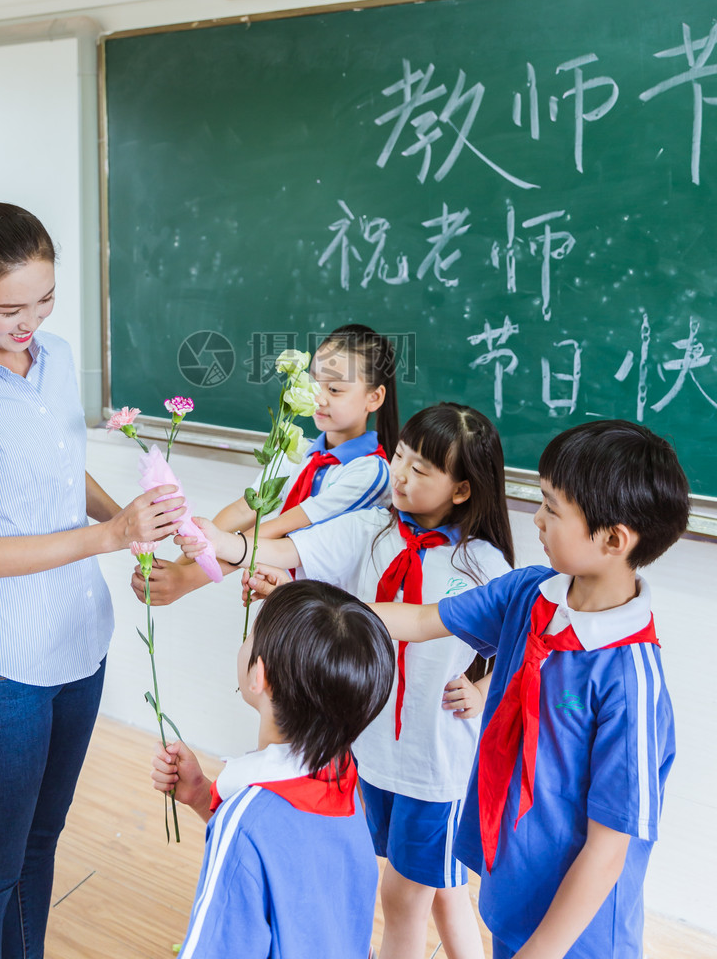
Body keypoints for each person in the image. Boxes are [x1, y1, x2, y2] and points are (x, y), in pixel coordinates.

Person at [0, 193, 185, 959]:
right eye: (8, 309)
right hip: (3, 672)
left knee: (40, 844)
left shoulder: (53, 361)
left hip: (78, 648)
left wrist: (126, 516)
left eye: (46, 301)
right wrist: (107, 534)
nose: (29, 323)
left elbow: (64, 473)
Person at [182, 403, 515, 959]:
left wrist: (481, 691)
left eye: (421, 470)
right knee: (421, 881)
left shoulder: (482, 566)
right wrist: (220, 541)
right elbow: (285, 551)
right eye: (400, 458)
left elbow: (523, 651)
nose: (400, 476)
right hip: (364, 752)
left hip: (434, 768)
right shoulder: (372, 527)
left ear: (461, 490)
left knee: (404, 896)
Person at [369, 419, 690, 959]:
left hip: (575, 937)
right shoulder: (530, 594)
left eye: (552, 507)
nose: (535, 519)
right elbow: (423, 620)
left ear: (613, 539)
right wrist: (318, 613)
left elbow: (610, 850)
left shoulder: (630, 680)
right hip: (512, 892)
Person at [150, 579, 395, 959]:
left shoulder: (245, 825)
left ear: (258, 675)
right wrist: (202, 796)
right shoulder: (343, 777)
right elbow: (290, 868)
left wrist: (230, 816)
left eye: (251, 634)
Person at [132, 322, 399, 604]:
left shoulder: (371, 472)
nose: (318, 397)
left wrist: (187, 580)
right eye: (314, 382)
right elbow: (245, 508)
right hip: (286, 599)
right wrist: (179, 566)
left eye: (334, 389)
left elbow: (273, 530)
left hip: (332, 614)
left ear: (374, 397)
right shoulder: (297, 450)